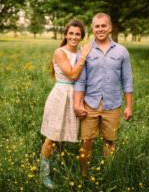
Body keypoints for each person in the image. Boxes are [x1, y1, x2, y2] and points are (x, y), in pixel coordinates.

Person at [73, 13, 133, 177]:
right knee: (86, 141)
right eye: (97, 26)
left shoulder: (122, 52)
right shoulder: (85, 51)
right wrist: (77, 105)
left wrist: (129, 106)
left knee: (110, 140)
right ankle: (84, 175)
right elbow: (80, 82)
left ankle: (108, 174)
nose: (100, 29)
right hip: (89, 103)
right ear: (93, 28)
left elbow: (127, 80)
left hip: (112, 103)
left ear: (110, 28)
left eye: (103, 26)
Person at [40, 19, 91, 189]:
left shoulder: (79, 53)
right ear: (65, 34)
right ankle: (44, 174)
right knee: (52, 137)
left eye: (78, 34)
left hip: (75, 96)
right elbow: (72, 75)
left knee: (61, 136)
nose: (74, 37)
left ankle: (58, 163)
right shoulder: (60, 52)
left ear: (82, 36)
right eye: (71, 33)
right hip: (60, 96)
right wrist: (83, 55)